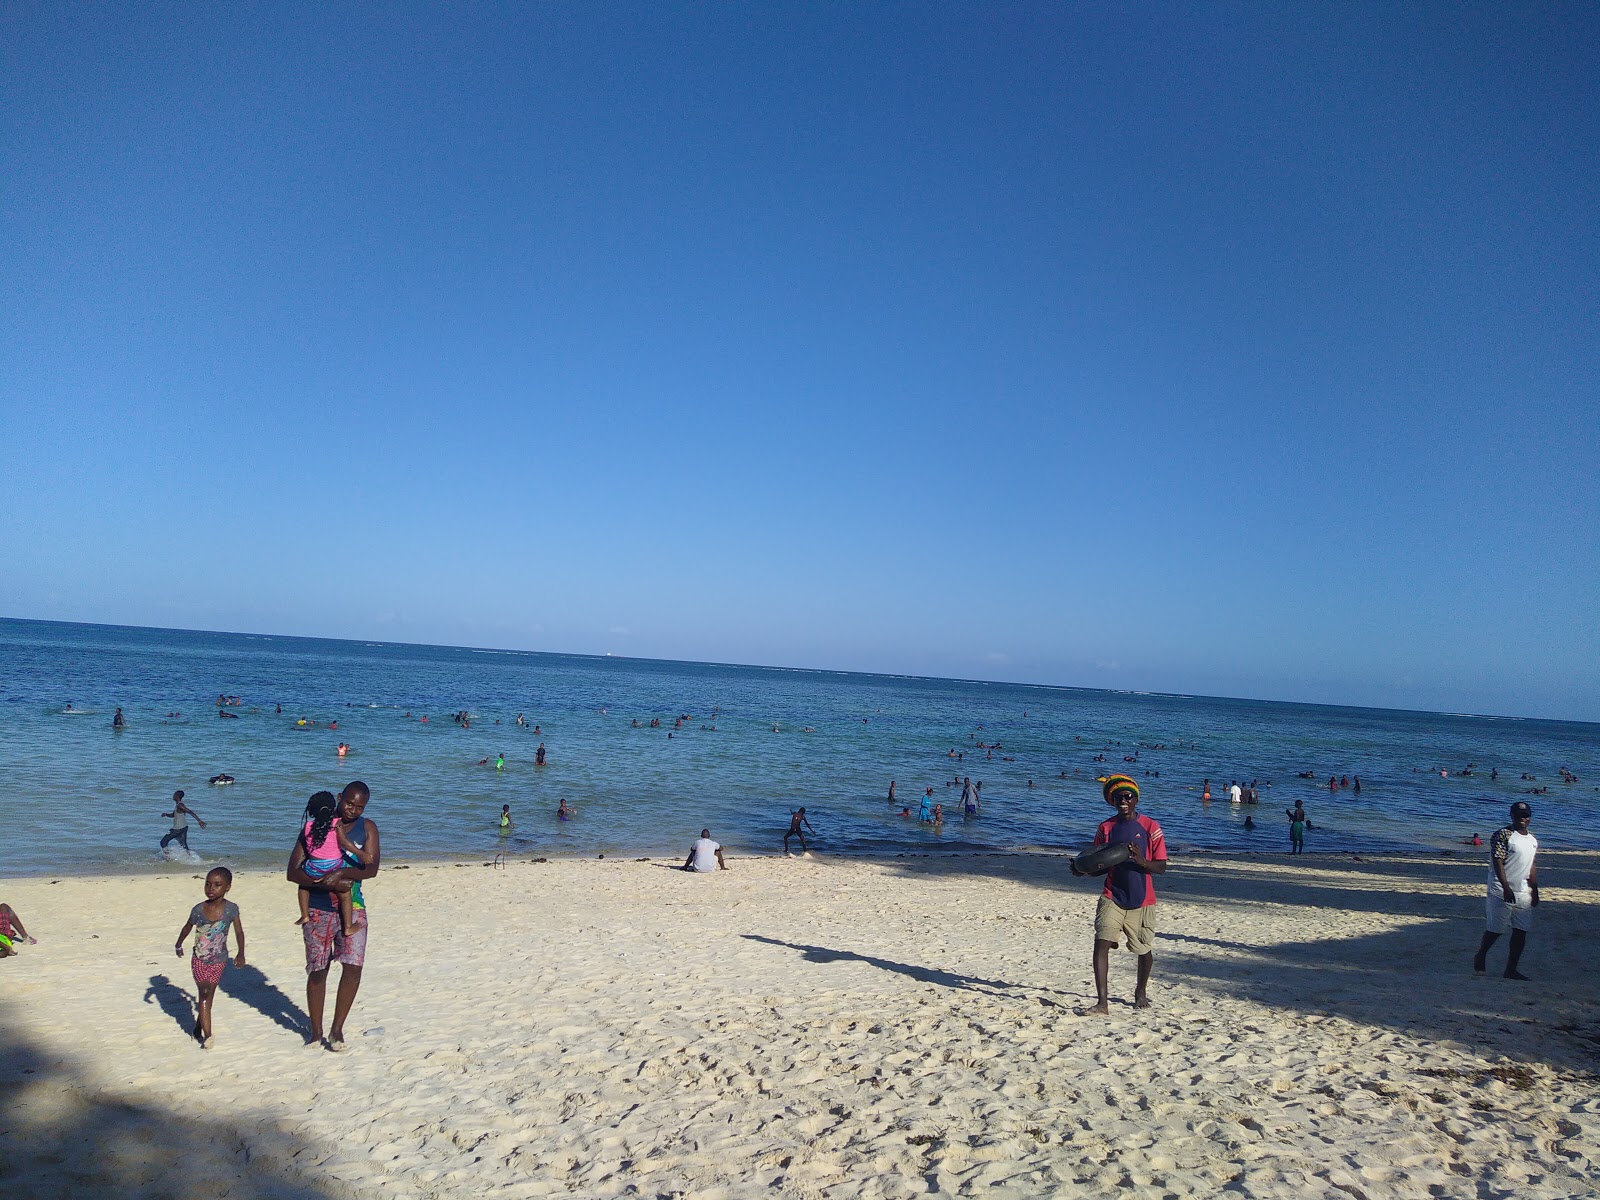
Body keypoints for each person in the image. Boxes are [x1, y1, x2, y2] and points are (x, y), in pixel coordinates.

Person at [287, 781, 379, 1051]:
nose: (353, 810)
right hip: (317, 907)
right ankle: (315, 1032)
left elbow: (371, 868)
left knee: (353, 967)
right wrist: (325, 883)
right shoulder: (317, 826)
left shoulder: (368, 828)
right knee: (318, 970)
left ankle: (337, 1030)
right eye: (349, 803)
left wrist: (343, 874)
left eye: (360, 806)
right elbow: (293, 872)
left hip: (354, 905)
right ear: (340, 798)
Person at [1082, 775, 1168, 1015]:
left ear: (1135, 799)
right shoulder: (1106, 828)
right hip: (1112, 895)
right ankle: (1102, 1003)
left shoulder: (1151, 827)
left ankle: (1140, 992)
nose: (1123, 800)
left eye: (1128, 796)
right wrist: (1082, 871)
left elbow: (1161, 867)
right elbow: (1099, 865)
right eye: (1118, 797)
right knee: (1101, 943)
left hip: (1142, 899)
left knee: (1143, 950)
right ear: (1112, 801)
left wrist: (1142, 861)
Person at [173, 867, 245, 1048]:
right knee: (204, 993)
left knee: (208, 996)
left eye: (217, 885)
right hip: (199, 959)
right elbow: (187, 927)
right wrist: (179, 944)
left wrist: (241, 953)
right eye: (207, 884)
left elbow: (239, 932)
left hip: (219, 960)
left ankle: (198, 1028)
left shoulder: (231, 910)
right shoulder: (198, 910)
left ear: (227, 887)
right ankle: (208, 1036)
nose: (211, 888)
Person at [1474, 802, 1539, 980]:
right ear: (1511, 816)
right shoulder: (1503, 835)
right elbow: (1498, 862)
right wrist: (1505, 887)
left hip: (1523, 891)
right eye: (1518, 815)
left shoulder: (1532, 840)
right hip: (1501, 888)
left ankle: (1511, 969)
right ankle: (1481, 954)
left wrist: (1535, 889)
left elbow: (1532, 865)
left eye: (1525, 816)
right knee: (1496, 929)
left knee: (1521, 931)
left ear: (1530, 817)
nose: (1522, 819)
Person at [293, 791, 366, 937]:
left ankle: (305, 914)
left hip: (313, 868)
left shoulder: (308, 826)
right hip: (333, 866)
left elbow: (307, 849)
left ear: (312, 811)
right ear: (334, 807)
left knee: (302, 886)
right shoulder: (336, 824)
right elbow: (345, 842)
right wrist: (361, 854)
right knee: (345, 893)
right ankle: (348, 927)